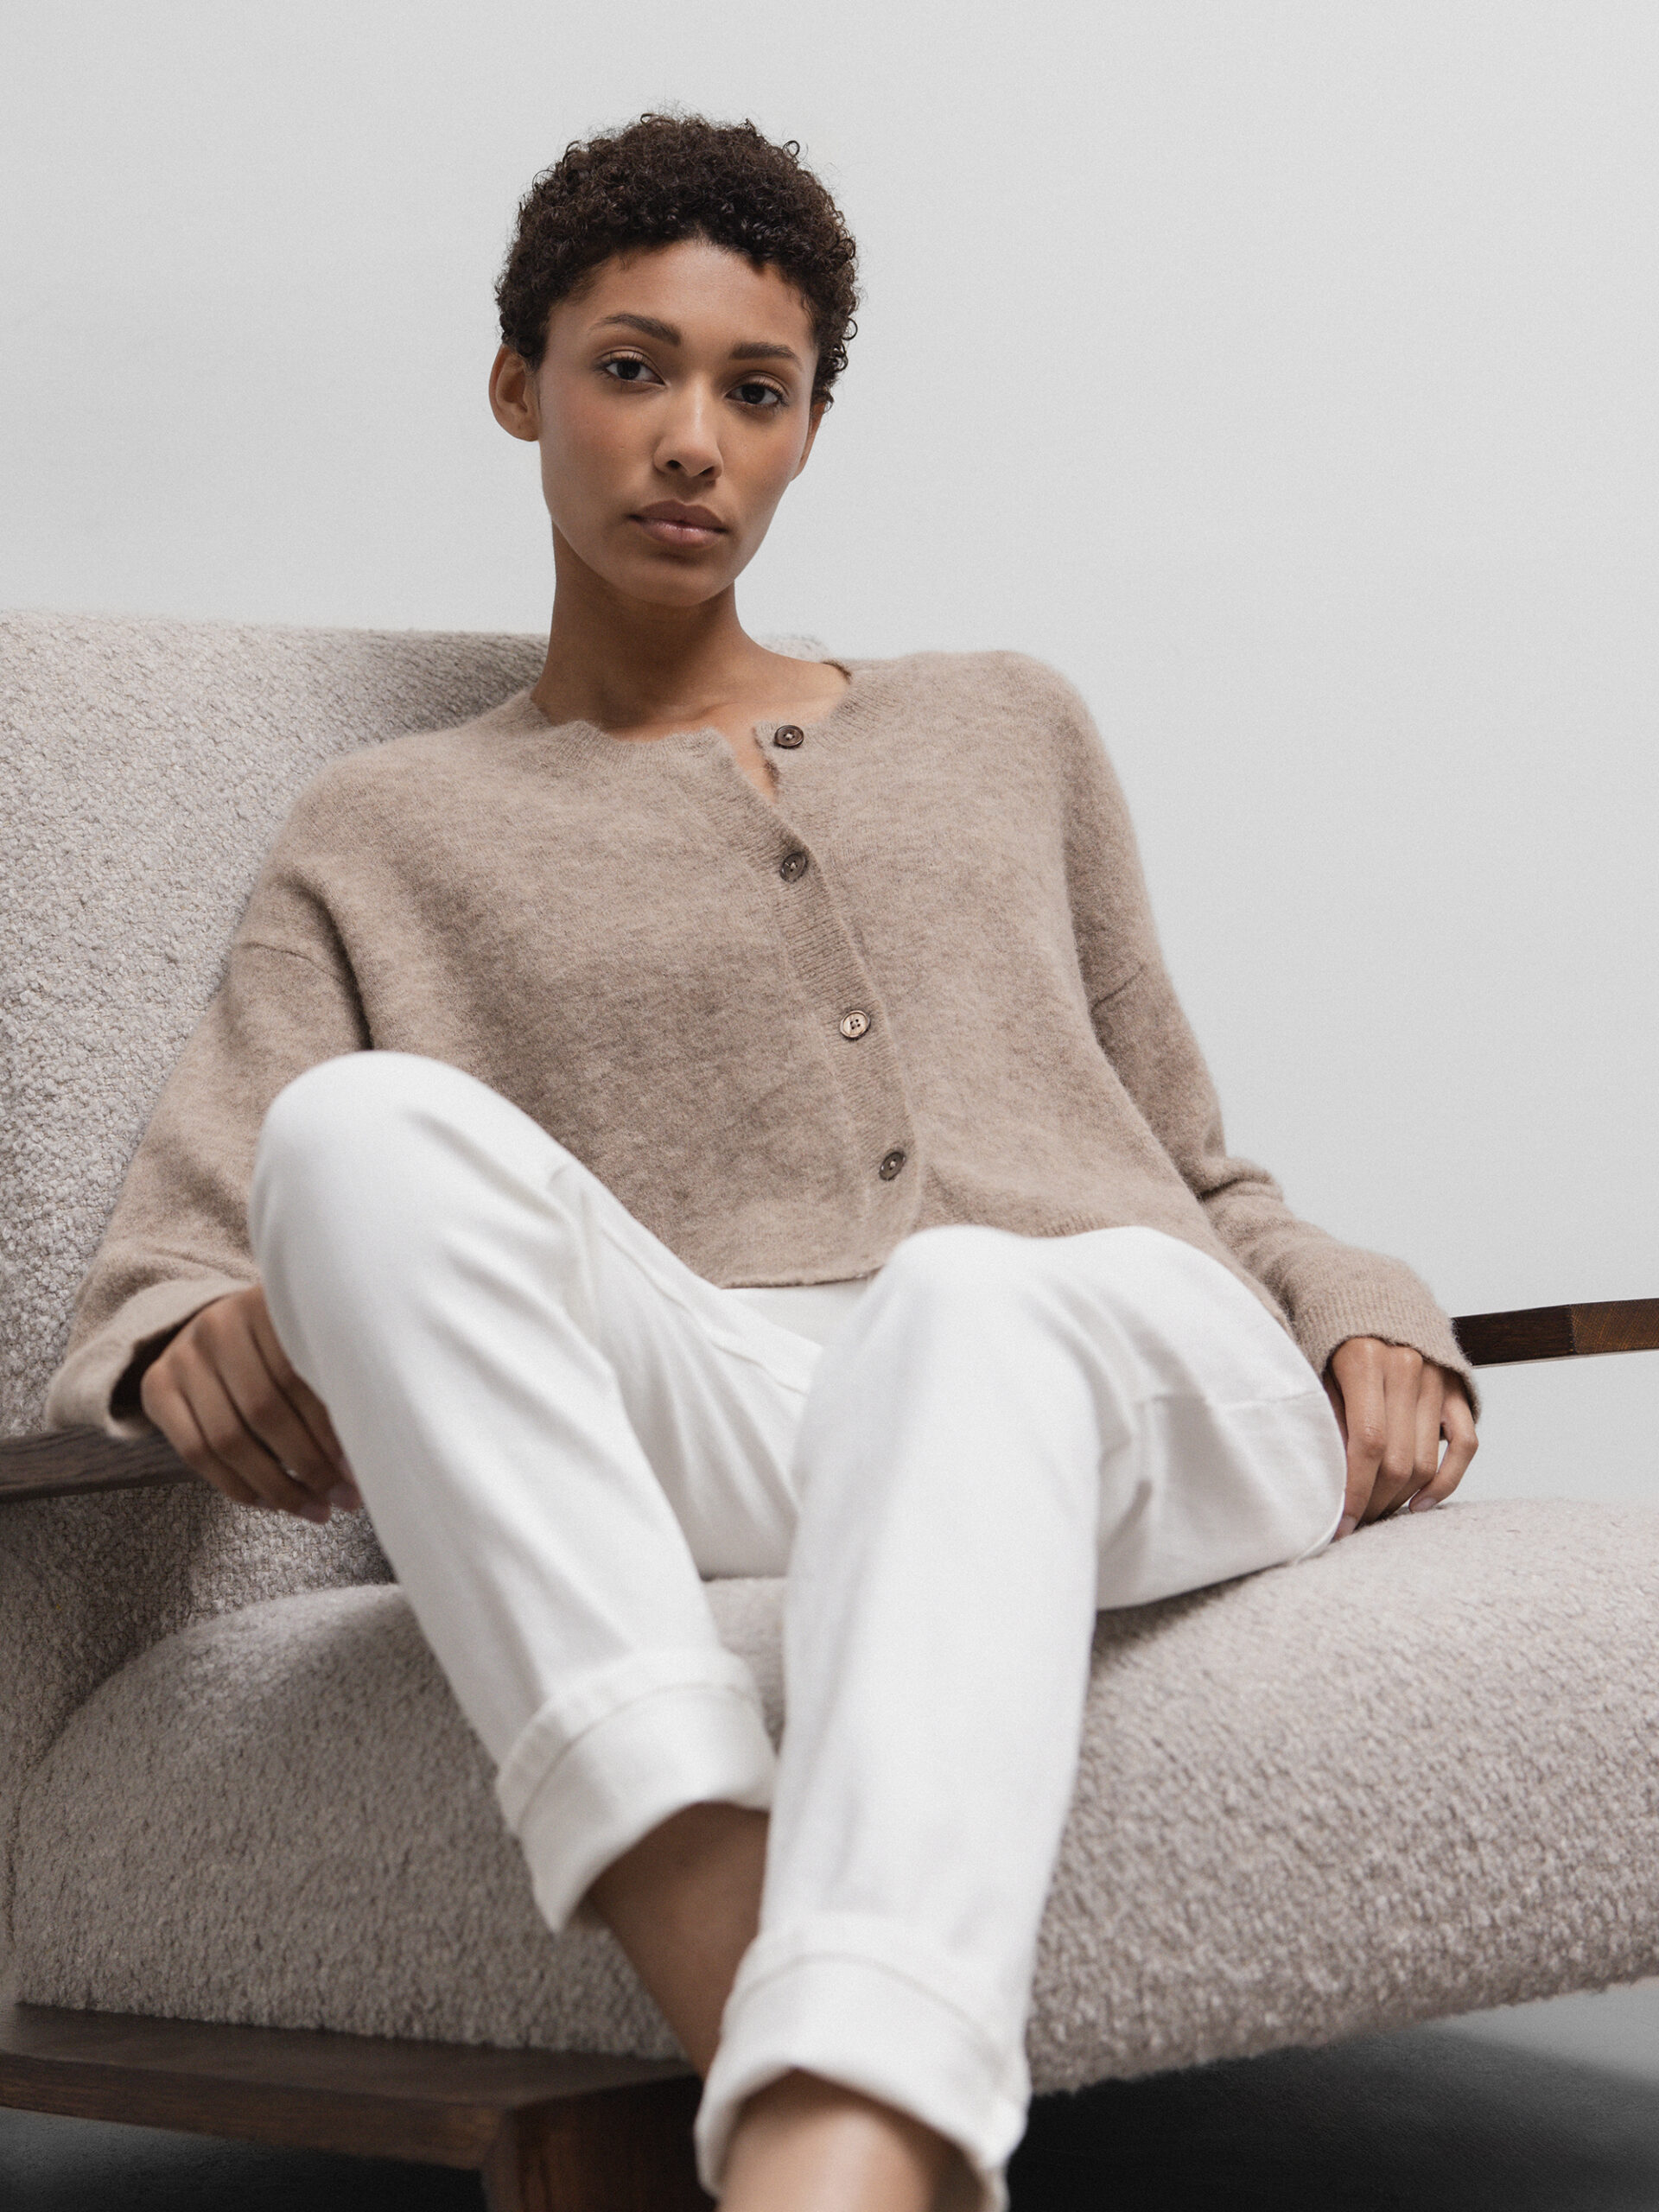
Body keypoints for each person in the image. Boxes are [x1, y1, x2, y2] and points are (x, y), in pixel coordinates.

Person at [48, 112, 1478, 2212]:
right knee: (350, 1130)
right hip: (749, 1405)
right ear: (519, 383)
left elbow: (1194, 1158)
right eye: (631, 369)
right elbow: (190, 1238)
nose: (691, 441)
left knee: (967, 1295)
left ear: (811, 427)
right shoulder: (386, 827)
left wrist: (1363, 1300)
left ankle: (823, 2120)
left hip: (1112, 1359)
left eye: (757, 389)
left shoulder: (1006, 723)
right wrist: (187, 1330)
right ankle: (731, 1939)